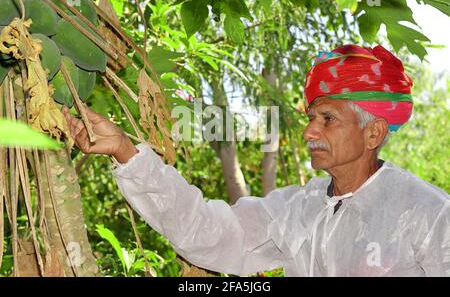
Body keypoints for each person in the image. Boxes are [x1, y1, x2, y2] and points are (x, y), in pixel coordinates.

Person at [64, 44, 450, 276]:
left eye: (327, 119)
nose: (309, 132)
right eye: (311, 118)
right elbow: (204, 232)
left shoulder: (429, 214)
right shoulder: (299, 209)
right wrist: (125, 152)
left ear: (373, 133)